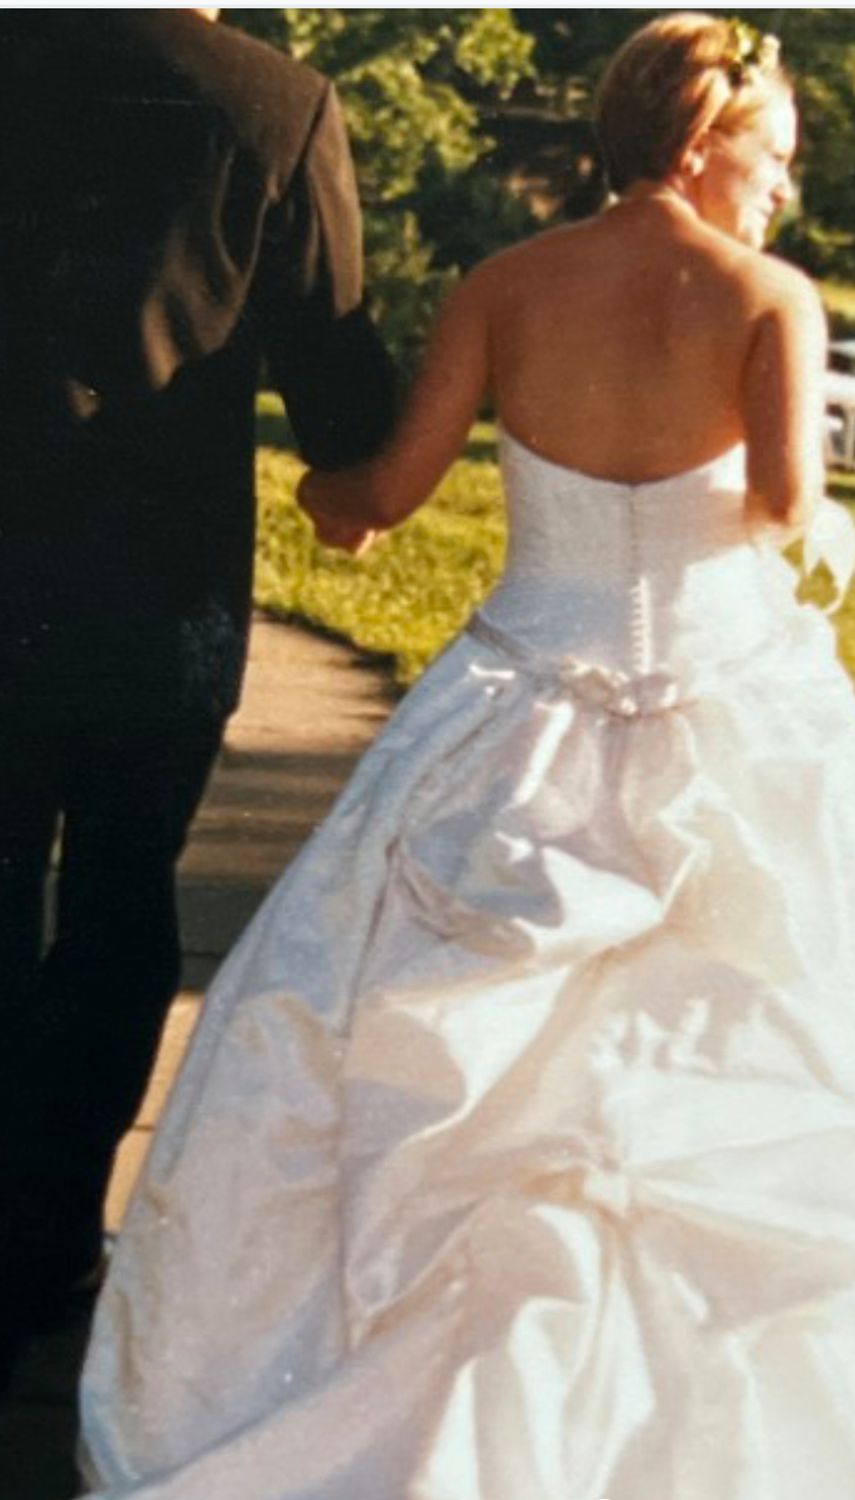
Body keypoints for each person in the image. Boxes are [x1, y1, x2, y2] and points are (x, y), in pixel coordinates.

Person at [80, 14, 855, 1497]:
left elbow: (386, 487)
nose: (784, 192)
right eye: (772, 158)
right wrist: (804, 521)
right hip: (723, 695)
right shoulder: (769, 299)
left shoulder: (506, 286)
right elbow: (781, 506)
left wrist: (326, 500)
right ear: (700, 144)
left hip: (519, 704)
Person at [0, 10, 395, 1361]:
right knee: (120, 901)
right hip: (155, 582)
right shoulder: (277, 109)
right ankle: (52, 1238)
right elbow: (340, 389)